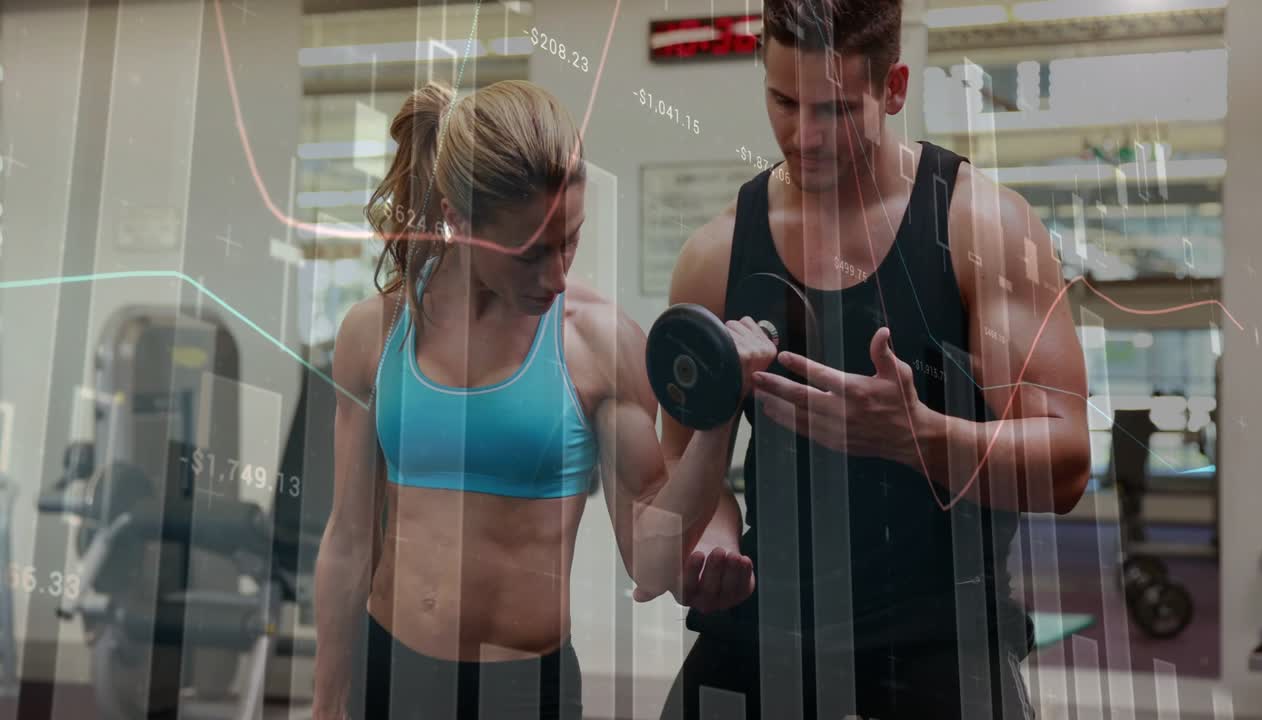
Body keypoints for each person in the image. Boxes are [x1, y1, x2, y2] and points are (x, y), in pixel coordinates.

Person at [652, 1, 1093, 718]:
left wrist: (918, 437)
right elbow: (682, 468)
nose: (803, 135)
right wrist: (714, 537)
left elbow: (1067, 464)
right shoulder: (717, 252)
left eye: (834, 110)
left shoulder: (982, 226)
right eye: (783, 101)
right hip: (769, 625)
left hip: (939, 636)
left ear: (893, 89)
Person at [310, 80, 770, 720]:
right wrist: (326, 703)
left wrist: (717, 422)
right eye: (529, 253)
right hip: (389, 677)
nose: (556, 276)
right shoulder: (377, 333)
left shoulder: (599, 345)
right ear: (458, 220)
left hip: (524, 694)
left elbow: (653, 565)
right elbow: (348, 540)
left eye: (569, 241)